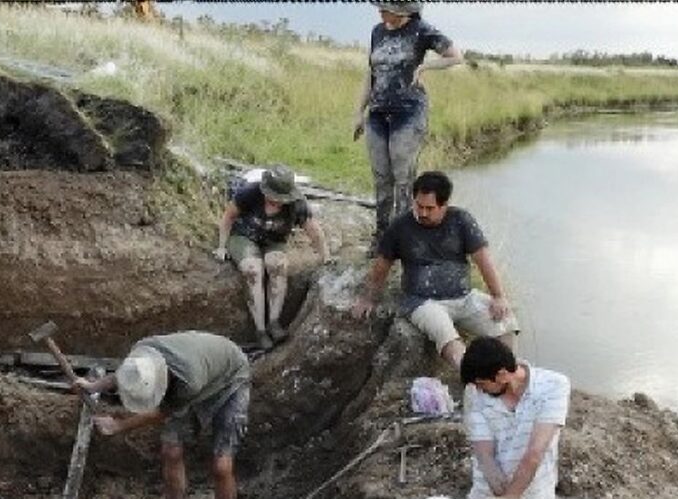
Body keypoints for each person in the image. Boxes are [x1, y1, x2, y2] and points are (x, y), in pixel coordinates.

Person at [77, 331, 250, 499]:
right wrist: (93, 386)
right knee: (171, 451)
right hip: (196, 373)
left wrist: (118, 425)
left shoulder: (189, 381)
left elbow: (160, 414)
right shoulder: (141, 353)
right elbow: (124, 376)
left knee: (222, 465)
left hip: (230, 381)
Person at [350, 171, 517, 367]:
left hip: (464, 297)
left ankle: (506, 374)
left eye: (430, 208)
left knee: (507, 324)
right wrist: (368, 297)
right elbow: (381, 265)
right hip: (422, 302)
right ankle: (474, 379)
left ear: (444, 205)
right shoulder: (400, 227)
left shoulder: (461, 220)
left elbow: (483, 259)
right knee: (447, 336)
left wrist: (498, 295)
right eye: (418, 206)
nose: (422, 213)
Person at [353, 1, 463, 239]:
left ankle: (402, 237)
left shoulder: (422, 30)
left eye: (385, 8)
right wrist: (358, 113)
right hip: (378, 113)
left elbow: (455, 56)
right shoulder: (377, 31)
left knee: (403, 178)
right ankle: (382, 235)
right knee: (381, 177)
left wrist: (425, 66)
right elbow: (370, 75)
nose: (380, 11)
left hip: (409, 114)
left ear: (402, 10)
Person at [458, 336, 569, 499]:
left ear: (502, 375)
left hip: (537, 495)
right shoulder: (475, 394)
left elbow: (536, 452)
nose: (478, 389)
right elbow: (485, 455)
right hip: (489, 496)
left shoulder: (553, 386)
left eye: (481, 383)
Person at [215, 165, 331, 349]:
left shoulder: (297, 204)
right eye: (273, 197)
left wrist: (326, 256)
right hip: (243, 237)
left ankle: (274, 323)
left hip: (274, 241)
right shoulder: (249, 193)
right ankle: (260, 330)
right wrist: (221, 246)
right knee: (253, 269)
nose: (277, 202)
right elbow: (228, 217)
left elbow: (314, 231)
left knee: (277, 265)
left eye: (281, 199)